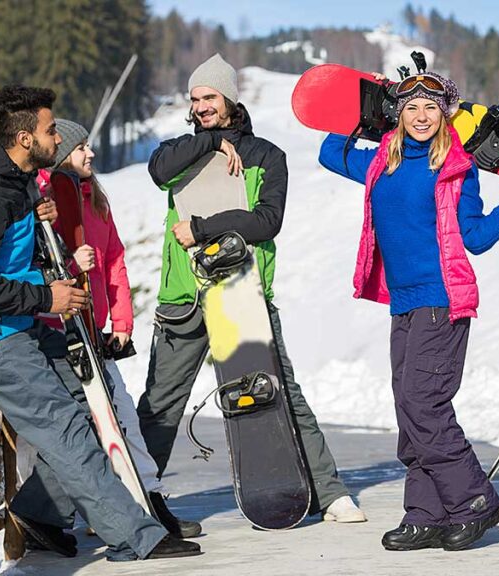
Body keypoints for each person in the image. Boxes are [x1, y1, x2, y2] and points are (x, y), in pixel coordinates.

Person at [0, 85, 200, 561]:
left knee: (90, 406)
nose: (59, 137)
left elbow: (5, 253)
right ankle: (135, 537)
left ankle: (39, 514)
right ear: (25, 139)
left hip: (14, 312)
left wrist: (36, 219)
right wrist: (44, 297)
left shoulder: (16, 179)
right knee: (65, 424)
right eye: (51, 130)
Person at [318, 69, 499, 551]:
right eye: (411, 107)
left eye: (431, 107)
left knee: (426, 406)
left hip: (442, 301)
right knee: (410, 409)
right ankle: (424, 513)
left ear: (445, 114)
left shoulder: (455, 167)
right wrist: (368, 106)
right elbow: (328, 152)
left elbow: (477, 238)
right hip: (402, 304)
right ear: (397, 114)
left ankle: (474, 501)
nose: (421, 116)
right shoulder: (382, 161)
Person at [135, 54, 365, 523]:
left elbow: (266, 222)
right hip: (183, 297)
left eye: (210, 98)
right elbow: (159, 171)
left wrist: (201, 228)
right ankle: (136, 499)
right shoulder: (179, 152)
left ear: (230, 100)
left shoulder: (266, 156)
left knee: (282, 390)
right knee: (161, 404)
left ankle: (329, 490)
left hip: (242, 295)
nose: (201, 106)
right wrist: (215, 141)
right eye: (195, 98)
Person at [14, 118, 201, 540]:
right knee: (69, 427)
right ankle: (55, 515)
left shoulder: (96, 200)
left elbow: (114, 261)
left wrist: (122, 322)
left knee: (121, 420)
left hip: (93, 331)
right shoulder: (44, 201)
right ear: (62, 156)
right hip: (55, 330)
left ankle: (146, 499)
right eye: (82, 149)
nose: (91, 155)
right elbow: (33, 263)